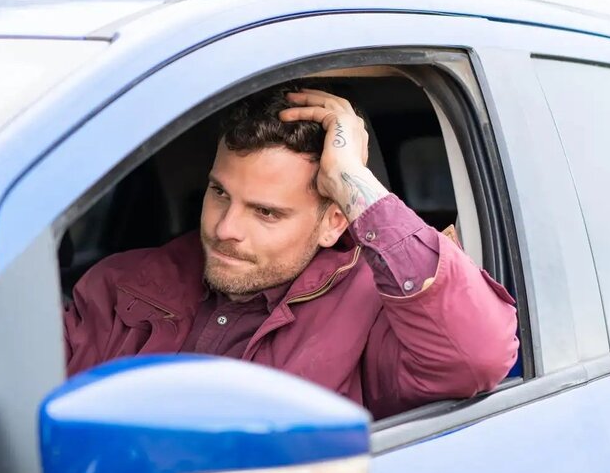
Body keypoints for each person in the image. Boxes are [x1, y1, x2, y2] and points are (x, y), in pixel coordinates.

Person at [62, 84, 519, 418]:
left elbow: (475, 357)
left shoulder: (373, 313)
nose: (226, 229)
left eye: (266, 212)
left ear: (334, 221)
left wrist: (352, 181)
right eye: (220, 194)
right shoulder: (121, 282)